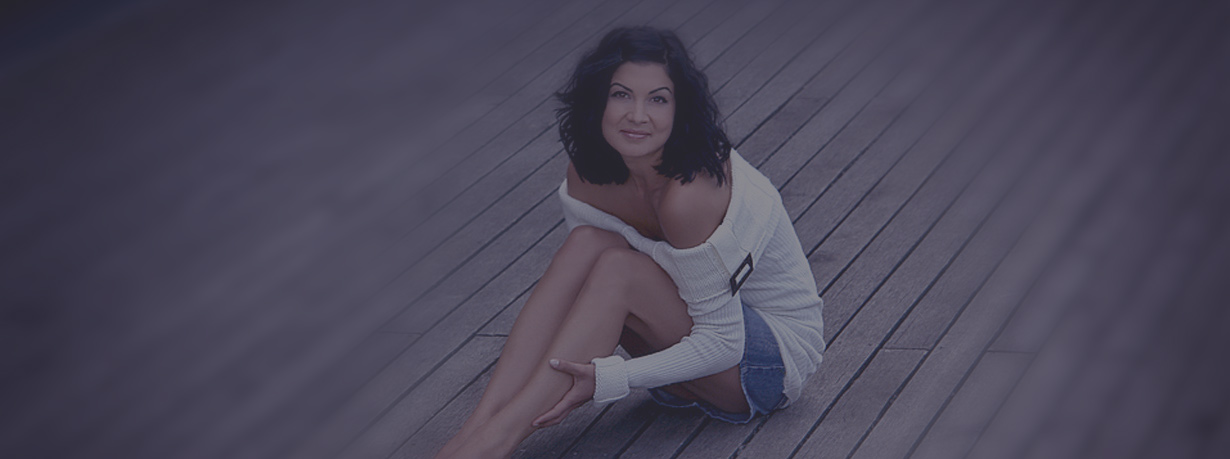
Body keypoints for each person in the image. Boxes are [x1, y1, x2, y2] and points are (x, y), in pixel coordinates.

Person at [436, 26, 825, 458]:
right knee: (587, 243)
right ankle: (476, 431)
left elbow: (724, 342)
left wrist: (614, 378)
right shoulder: (589, 177)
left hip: (767, 367)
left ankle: (495, 442)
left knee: (619, 270)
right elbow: (580, 299)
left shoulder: (689, 195)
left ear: (679, 110)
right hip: (682, 361)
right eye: (621, 95)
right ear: (597, 100)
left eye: (658, 99)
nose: (637, 115)